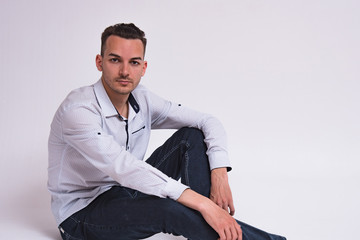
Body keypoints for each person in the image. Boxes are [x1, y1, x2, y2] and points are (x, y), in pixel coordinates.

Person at [48, 23, 286, 240]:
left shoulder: (142, 98)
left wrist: (219, 171)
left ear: (144, 67)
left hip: (124, 191)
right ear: (99, 62)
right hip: (82, 215)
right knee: (170, 209)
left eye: (133, 62)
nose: (124, 71)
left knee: (191, 137)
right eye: (114, 60)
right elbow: (123, 167)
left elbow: (207, 121)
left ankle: (208, 231)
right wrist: (203, 204)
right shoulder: (78, 111)